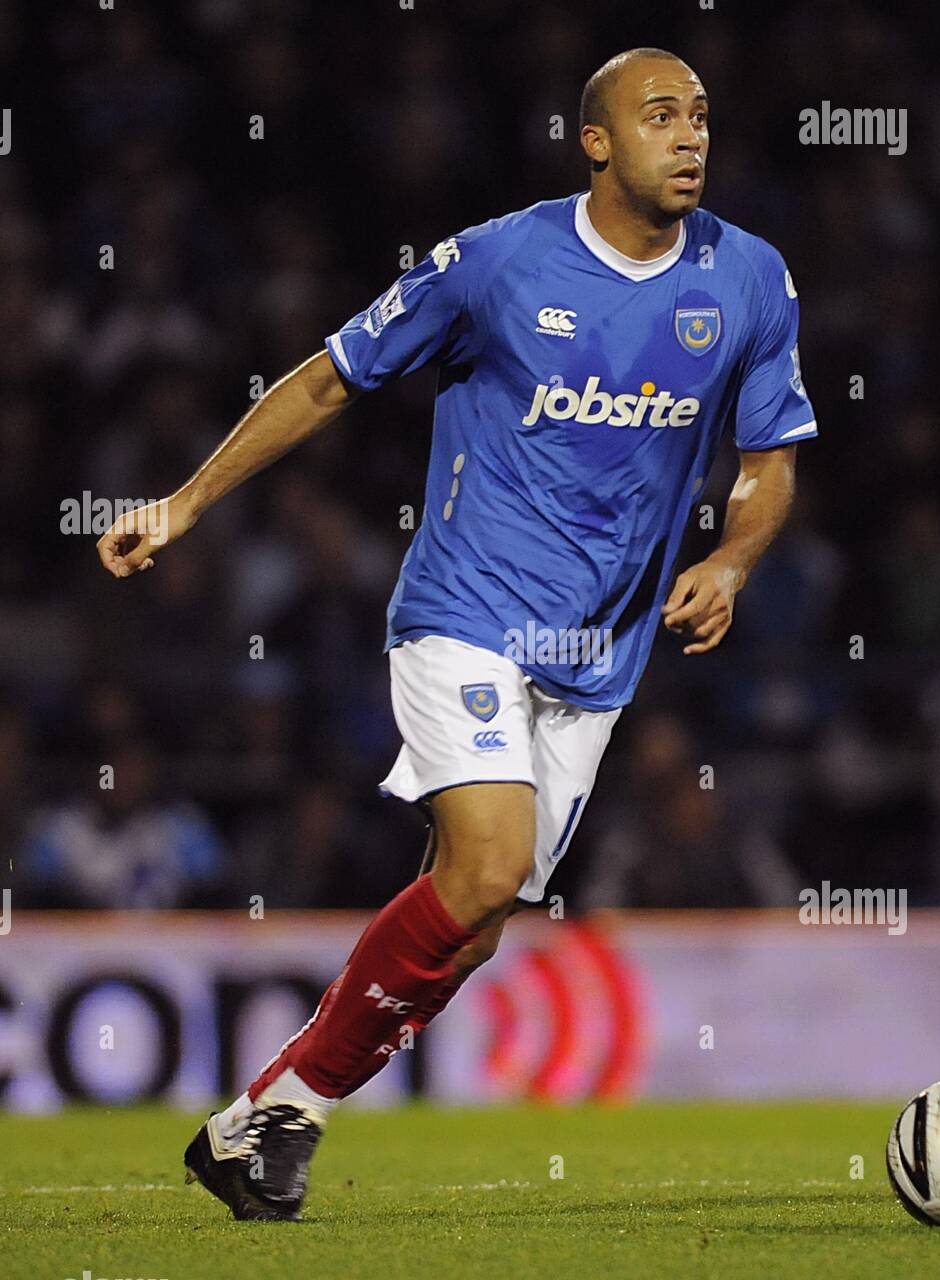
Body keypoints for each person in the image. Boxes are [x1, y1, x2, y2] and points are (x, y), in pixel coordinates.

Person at [96, 48, 817, 1220]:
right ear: (595, 141)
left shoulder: (749, 277)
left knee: (474, 923)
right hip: (465, 611)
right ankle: (280, 1114)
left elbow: (768, 461)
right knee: (484, 867)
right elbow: (332, 375)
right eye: (658, 116)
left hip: (597, 660)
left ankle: (267, 1118)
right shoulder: (495, 263)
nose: (689, 135)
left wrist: (731, 559)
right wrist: (185, 502)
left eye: (698, 115)